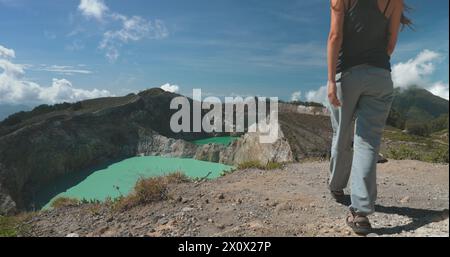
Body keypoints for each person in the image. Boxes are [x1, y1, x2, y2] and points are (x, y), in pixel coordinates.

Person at [326, 0, 412, 235]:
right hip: (381, 77)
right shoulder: (395, 2)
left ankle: (336, 186)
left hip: (347, 75)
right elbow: (391, 44)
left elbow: (335, 36)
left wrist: (331, 81)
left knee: (342, 133)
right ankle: (360, 213)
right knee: (368, 142)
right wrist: (373, 66)